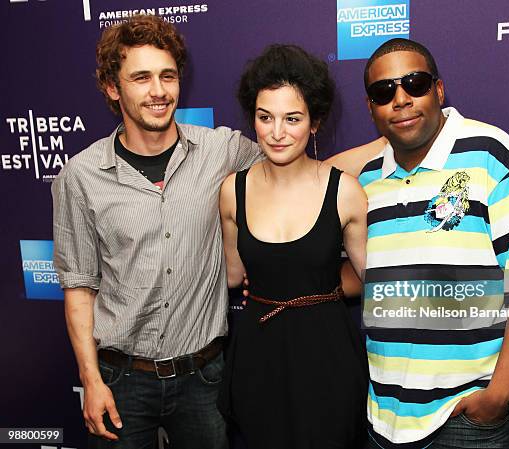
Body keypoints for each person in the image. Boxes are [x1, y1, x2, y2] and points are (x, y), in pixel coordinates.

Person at [329, 38, 509, 449]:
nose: (400, 100)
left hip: (471, 418)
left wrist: (496, 397)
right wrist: (287, 286)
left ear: (439, 90)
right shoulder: (364, 181)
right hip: (386, 417)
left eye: (414, 84)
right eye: (384, 92)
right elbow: (370, 272)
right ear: (370, 108)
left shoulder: (493, 154)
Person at [52, 15, 262, 449]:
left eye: (167, 75)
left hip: (204, 377)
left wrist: (389, 146)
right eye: (141, 78)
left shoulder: (221, 150)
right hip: (121, 381)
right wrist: (90, 380)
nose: (158, 91)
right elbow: (78, 288)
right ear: (113, 88)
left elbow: (297, 169)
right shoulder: (81, 175)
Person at [217, 44, 369, 449]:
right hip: (257, 356)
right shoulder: (234, 190)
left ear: (315, 122)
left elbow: (373, 278)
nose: (277, 132)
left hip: (327, 356)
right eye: (265, 117)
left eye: (293, 118)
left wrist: (320, 292)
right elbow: (234, 274)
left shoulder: (344, 192)